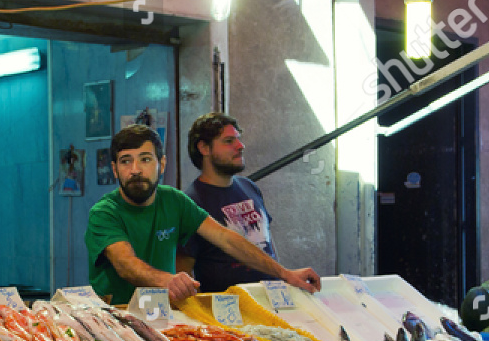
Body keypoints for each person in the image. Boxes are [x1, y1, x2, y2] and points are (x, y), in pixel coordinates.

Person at [84, 123, 320, 306]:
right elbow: (126, 264)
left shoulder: (174, 200)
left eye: (145, 159)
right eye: (126, 161)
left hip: (164, 315)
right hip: (117, 318)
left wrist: (285, 273)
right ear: (115, 169)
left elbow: (226, 238)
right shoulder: (104, 212)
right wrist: (168, 280)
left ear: (161, 164)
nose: (135, 170)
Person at [177, 113, 281, 292]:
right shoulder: (192, 202)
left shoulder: (249, 186)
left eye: (238, 139)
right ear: (204, 148)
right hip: (227, 308)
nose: (240, 146)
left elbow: (269, 242)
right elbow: (183, 269)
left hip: (271, 298)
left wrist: (282, 278)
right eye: (228, 141)